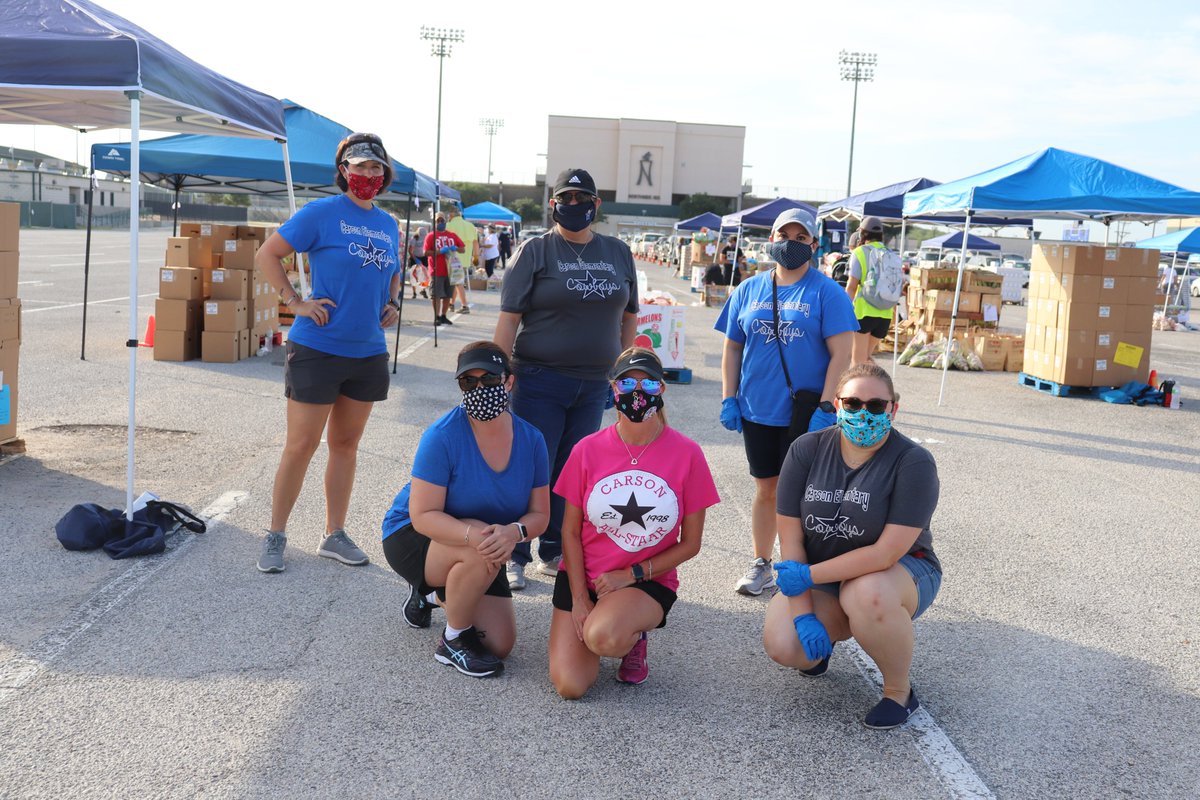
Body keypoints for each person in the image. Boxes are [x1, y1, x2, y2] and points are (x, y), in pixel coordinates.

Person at [763, 362, 941, 729]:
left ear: (893, 409)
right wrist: (803, 614)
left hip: (898, 571)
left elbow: (885, 553)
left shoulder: (913, 462)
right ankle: (822, 646)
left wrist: (807, 575)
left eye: (876, 405)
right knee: (785, 644)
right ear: (838, 405)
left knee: (866, 594)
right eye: (853, 403)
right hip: (822, 571)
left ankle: (899, 692)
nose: (864, 413)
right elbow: (792, 537)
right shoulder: (806, 449)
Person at [255, 132, 402, 573]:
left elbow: (392, 272)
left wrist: (392, 303)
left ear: (384, 174)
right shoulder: (321, 213)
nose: (368, 175)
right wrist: (295, 302)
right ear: (343, 171)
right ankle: (276, 534)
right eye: (360, 167)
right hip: (318, 347)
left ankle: (333, 534)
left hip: (368, 352)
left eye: (376, 167)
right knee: (301, 445)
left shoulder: (388, 223)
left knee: (345, 445)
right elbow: (268, 254)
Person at [494, 167, 638, 590]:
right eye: (566, 199)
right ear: (553, 204)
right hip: (539, 378)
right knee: (531, 465)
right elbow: (509, 319)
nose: (574, 206)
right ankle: (515, 553)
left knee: (571, 471)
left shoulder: (617, 251)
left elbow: (629, 315)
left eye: (582, 199)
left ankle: (553, 548)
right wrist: (498, 373)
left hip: (594, 382)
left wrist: (624, 369)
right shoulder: (536, 251)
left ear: (597, 205)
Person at [548, 348, 719, 698]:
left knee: (603, 637)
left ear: (662, 390)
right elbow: (569, 531)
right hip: (585, 575)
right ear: (613, 389)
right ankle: (601, 618)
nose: (637, 391)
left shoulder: (688, 454)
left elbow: (691, 543)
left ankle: (633, 634)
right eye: (627, 382)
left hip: (646, 579)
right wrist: (580, 598)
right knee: (570, 686)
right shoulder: (586, 449)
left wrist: (632, 575)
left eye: (648, 383)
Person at [382, 342, 549, 677]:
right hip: (415, 535)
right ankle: (452, 641)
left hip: (487, 542)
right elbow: (423, 514)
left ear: (509, 382)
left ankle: (429, 597)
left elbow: (540, 515)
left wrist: (513, 532)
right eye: (468, 382)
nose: (479, 389)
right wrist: (475, 535)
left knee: (499, 644)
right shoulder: (442, 436)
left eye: (489, 380)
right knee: (480, 546)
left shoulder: (532, 440)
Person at [715, 207, 858, 596]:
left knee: (803, 493)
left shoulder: (827, 292)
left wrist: (828, 406)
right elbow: (731, 347)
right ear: (771, 239)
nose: (791, 244)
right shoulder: (748, 289)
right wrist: (730, 397)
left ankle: (799, 568)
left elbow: (842, 355)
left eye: (800, 238)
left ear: (814, 243)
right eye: (784, 236)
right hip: (757, 409)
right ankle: (762, 562)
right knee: (766, 488)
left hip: (807, 413)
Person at [844, 216, 896, 364]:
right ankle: (876, 384)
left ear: (862, 233)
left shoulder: (860, 252)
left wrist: (843, 311)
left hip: (863, 312)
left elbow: (851, 286)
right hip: (885, 314)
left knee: (857, 361)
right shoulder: (890, 254)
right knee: (866, 358)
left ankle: (860, 387)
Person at [423, 213, 465, 326]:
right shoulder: (431, 236)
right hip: (436, 270)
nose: (440, 223)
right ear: (435, 222)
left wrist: (455, 248)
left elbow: (463, 249)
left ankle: (443, 316)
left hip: (451, 270)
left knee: (447, 295)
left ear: (446, 221)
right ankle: (436, 317)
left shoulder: (452, 235)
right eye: (438, 221)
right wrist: (439, 251)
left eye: (442, 220)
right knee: (436, 295)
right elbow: (426, 252)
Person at [445, 207, 477, 314]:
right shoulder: (470, 226)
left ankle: (464, 306)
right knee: (456, 282)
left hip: (452, 258)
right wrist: (475, 257)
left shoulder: (448, 226)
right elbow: (475, 243)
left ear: (451, 215)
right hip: (465, 259)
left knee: (457, 283)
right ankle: (451, 303)